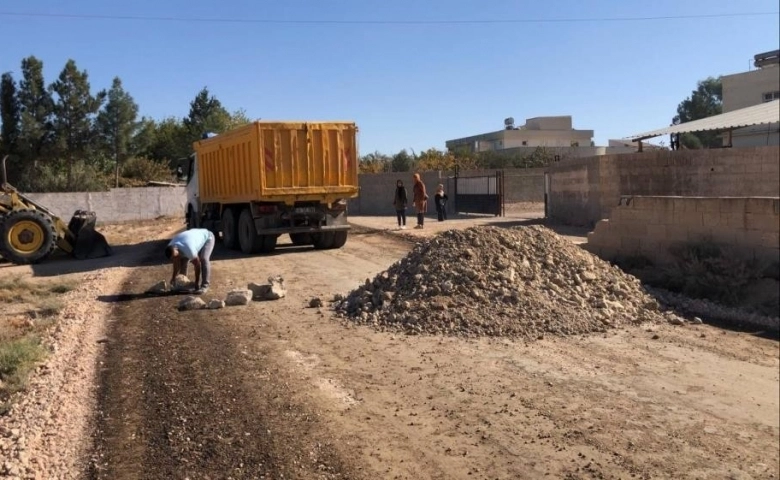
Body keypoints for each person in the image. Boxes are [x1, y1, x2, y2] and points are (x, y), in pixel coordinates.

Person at [165, 228, 215, 294]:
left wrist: (196, 283)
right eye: (173, 258)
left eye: (175, 256)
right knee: (182, 259)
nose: (175, 258)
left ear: (176, 249)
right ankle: (182, 284)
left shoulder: (189, 250)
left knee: (204, 258)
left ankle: (205, 286)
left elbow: (197, 265)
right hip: (192, 237)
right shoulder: (171, 247)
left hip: (208, 236)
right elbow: (176, 263)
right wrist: (173, 278)